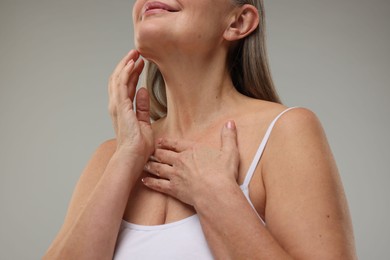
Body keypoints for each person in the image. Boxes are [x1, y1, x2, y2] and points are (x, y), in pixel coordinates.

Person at [44, 0, 357, 259]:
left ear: (238, 22)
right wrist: (126, 157)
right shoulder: (109, 157)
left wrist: (218, 197)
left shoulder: (286, 133)